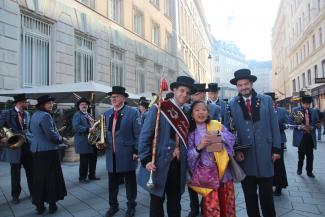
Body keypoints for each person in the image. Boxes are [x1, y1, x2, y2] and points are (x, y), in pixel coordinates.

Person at [138, 76, 196, 217]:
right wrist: (146, 160)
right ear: (174, 90)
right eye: (182, 91)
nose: (184, 95)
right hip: (159, 163)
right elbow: (145, 137)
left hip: (179, 165)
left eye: (188, 93)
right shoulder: (159, 108)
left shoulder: (189, 112)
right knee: (157, 204)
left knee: (175, 204)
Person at [228, 69, 281, 217]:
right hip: (245, 158)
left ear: (251, 84)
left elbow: (274, 126)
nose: (243, 87)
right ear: (237, 87)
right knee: (250, 197)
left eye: (246, 84)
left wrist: (276, 149)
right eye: (240, 85)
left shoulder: (266, 100)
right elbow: (229, 131)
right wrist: (235, 150)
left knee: (267, 197)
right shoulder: (231, 104)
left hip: (265, 155)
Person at [187, 101, 236, 217]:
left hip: (224, 173)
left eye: (204, 110)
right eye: (197, 110)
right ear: (192, 114)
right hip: (207, 176)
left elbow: (232, 139)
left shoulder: (216, 125)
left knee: (227, 205)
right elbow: (189, 157)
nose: (201, 112)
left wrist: (220, 136)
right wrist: (199, 147)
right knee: (212, 208)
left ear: (208, 112)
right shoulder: (191, 133)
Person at [99, 86, 140, 217]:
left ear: (123, 98)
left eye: (116, 96)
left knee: (130, 182)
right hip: (112, 154)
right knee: (112, 183)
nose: (113, 99)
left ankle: (131, 206)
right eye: (112, 97)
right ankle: (113, 206)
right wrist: (100, 141)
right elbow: (104, 133)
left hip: (128, 153)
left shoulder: (133, 112)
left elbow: (138, 134)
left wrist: (136, 150)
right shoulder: (107, 114)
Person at [29, 95, 67, 214]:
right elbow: (51, 135)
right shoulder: (45, 116)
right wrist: (62, 139)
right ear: (42, 105)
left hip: (37, 151)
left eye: (51, 103)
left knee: (39, 179)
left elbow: (32, 131)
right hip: (48, 151)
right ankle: (52, 205)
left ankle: (39, 206)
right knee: (51, 178)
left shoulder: (34, 114)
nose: (51, 105)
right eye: (48, 103)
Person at [0, 94, 33, 204]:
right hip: (14, 146)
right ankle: (15, 195)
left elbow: (29, 128)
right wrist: (3, 137)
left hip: (27, 146)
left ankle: (33, 192)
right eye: (25, 102)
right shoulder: (7, 113)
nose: (27, 103)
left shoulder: (27, 113)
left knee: (31, 171)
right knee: (15, 173)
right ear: (19, 103)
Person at [264, 92, 288, 196]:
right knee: (268, 164)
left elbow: (287, 123)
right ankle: (269, 185)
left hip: (279, 141)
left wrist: (280, 126)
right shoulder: (262, 111)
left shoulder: (281, 111)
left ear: (274, 101)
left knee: (278, 163)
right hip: (266, 142)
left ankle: (279, 186)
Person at [72, 98, 100, 184]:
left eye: (85, 104)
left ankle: (92, 175)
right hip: (83, 141)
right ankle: (82, 178)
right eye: (82, 104)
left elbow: (94, 126)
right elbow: (76, 127)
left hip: (92, 141)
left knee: (93, 159)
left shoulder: (89, 115)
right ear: (79, 106)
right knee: (84, 161)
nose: (84, 106)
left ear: (88, 106)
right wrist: (88, 129)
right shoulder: (77, 115)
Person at [292, 93, 319, 178]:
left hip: (310, 136)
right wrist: (300, 127)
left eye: (308, 104)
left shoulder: (313, 111)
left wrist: (312, 127)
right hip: (301, 137)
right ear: (302, 103)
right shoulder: (297, 110)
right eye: (305, 104)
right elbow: (292, 122)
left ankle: (309, 171)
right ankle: (299, 169)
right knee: (301, 155)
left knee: (310, 155)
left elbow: (317, 123)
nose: (307, 106)